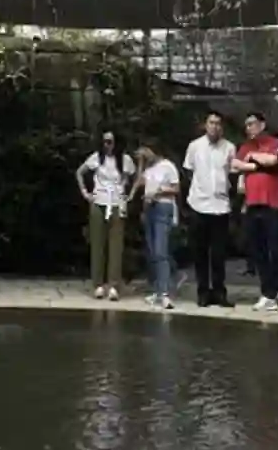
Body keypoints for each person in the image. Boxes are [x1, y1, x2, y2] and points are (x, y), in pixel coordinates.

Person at [232, 112, 278, 314]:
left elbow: (274, 161)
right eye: (246, 125)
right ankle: (268, 294)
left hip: (273, 204)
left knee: (277, 251)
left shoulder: (275, 142)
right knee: (258, 253)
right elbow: (235, 165)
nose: (249, 128)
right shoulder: (245, 146)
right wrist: (255, 162)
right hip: (252, 204)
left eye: (252, 124)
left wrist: (252, 161)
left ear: (262, 124)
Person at [183, 111, 234, 308]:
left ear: (222, 127)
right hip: (199, 205)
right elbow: (188, 171)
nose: (215, 127)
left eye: (218, 123)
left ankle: (220, 292)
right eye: (211, 123)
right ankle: (203, 292)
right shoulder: (195, 146)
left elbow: (232, 173)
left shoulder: (229, 147)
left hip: (221, 207)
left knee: (219, 254)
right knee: (200, 253)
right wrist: (199, 191)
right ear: (205, 125)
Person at [76, 130, 131, 301]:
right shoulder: (96, 158)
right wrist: (85, 193)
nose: (108, 145)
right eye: (105, 141)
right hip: (99, 201)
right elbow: (79, 172)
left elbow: (131, 177)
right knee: (98, 244)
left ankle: (114, 285)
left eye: (111, 142)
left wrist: (127, 194)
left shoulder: (125, 160)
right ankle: (98, 284)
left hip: (116, 202)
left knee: (116, 246)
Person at [132, 144, 180, 310]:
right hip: (149, 208)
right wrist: (140, 165)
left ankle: (165, 293)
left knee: (160, 250)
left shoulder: (167, 166)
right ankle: (158, 289)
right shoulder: (149, 169)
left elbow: (176, 188)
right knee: (152, 251)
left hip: (163, 207)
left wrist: (158, 192)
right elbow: (139, 183)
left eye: (145, 152)